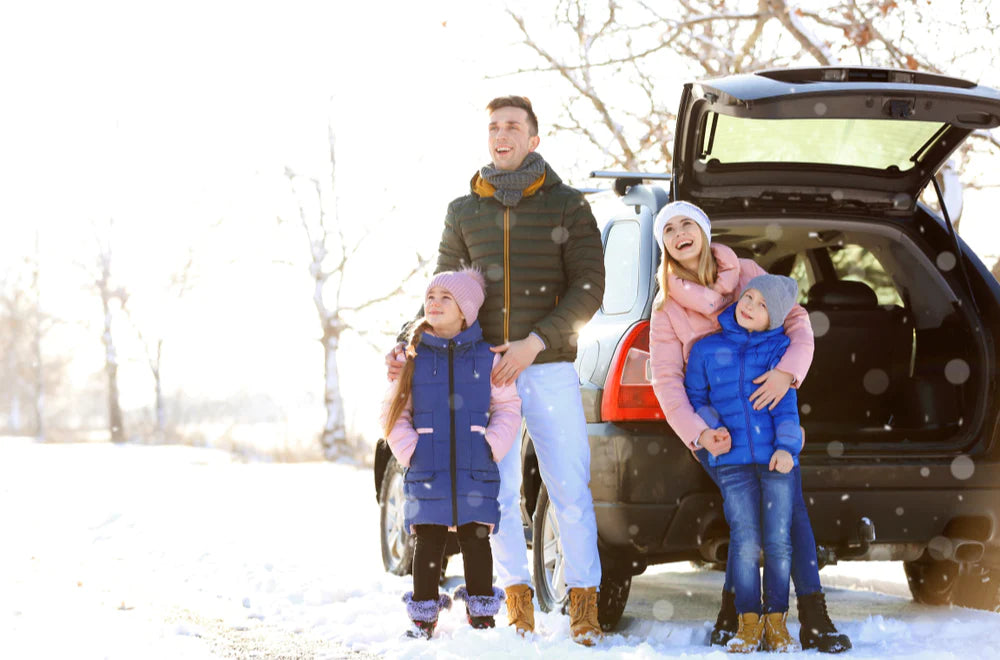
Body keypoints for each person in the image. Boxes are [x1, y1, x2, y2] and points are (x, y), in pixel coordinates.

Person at [386, 96, 606, 645]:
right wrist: (408, 337)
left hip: (546, 364)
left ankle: (583, 604)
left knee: (568, 485)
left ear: (534, 138)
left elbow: (588, 288)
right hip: (480, 373)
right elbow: (440, 289)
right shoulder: (465, 211)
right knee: (497, 493)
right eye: (493, 127)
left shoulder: (568, 206)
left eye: (513, 126)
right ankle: (516, 603)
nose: (501, 134)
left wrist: (534, 342)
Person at [648, 201, 852, 653]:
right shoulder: (667, 308)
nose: (680, 233)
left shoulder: (743, 272)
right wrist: (701, 433)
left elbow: (796, 321)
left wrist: (787, 373)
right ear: (663, 244)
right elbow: (666, 380)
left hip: (766, 415)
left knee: (788, 510)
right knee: (747, 522)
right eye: (669, 229)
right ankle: (739, 616)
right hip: (714, 428)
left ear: (703, 229)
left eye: (688, 224)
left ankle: (809, 619)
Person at [382, 268, 522, 639]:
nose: (435, 303)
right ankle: (423, 617)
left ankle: (481, 616)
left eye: (446, 297)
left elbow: (508, 406)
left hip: (475, 465)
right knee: (428, 538)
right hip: (427, 466)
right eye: (431, 297)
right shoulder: (411, 359)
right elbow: (393, 411)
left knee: (476, 537)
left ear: (466, 311)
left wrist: (492, 444)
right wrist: (411, 450)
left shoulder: (486, 357)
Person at [684, 274, 805, 653]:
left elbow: (786, 406)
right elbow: (694, 396)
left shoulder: (778, 352)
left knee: (779, 542)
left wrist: (786, 447)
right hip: (731, 461)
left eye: (762, 304)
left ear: (775, 317)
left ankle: (777, 622)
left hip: (776, 461)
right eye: (749, 296)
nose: (750, 305)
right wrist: (713, 428)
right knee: (746, 540)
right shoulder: (707, 349)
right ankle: (748, 622)